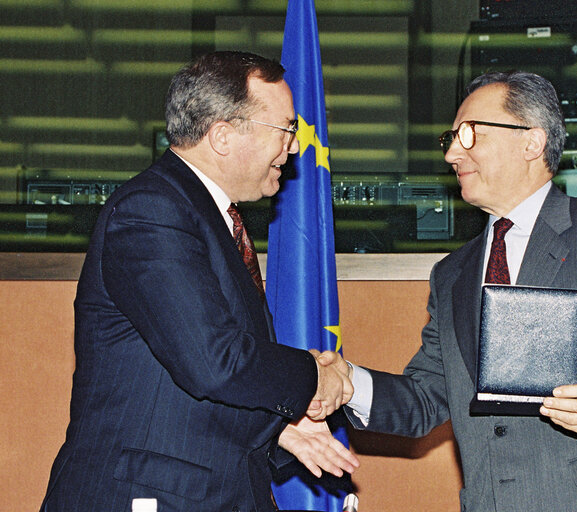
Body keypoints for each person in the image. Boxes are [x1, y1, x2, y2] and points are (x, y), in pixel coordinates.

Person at [318, 71, 577, 511]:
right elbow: (427, 397)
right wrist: (349, 385)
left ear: (531, 143)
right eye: (450, 137)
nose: (450, 153)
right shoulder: (451, 274)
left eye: (469, 134)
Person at [40, 51, 358, 512]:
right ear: (223, 136)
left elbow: (189, 380)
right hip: (146, 495)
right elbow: (215, 360)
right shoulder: (151, 210)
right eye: (286, 130)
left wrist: (278, 429)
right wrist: (314, 377)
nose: (293, 147)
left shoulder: (206, 214)